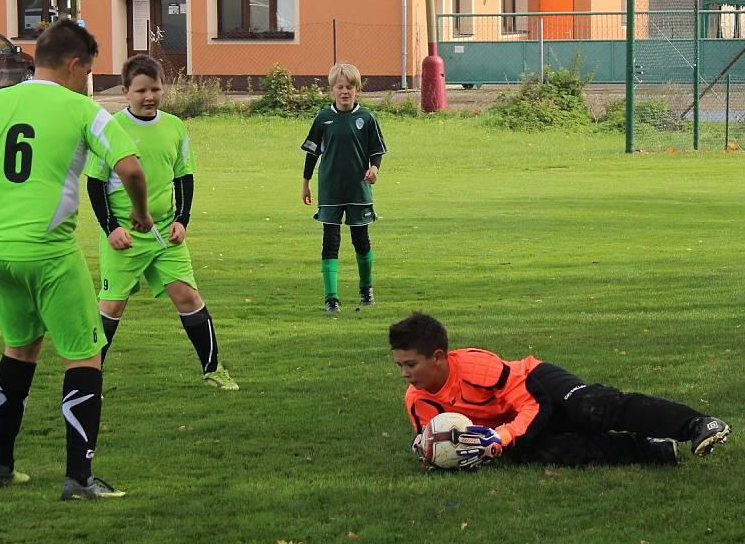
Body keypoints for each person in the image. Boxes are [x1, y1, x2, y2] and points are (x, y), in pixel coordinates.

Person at [0, 19, 153, 499]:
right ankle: (78, 480)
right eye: (88, 71)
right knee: (85, 354)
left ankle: (0, 467)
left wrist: (4, 198)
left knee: (19, 348)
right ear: (74, 64)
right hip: (48, 251)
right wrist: (141, 216)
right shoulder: (82, 108)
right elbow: (130, 168)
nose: (87, 80)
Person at [389, 312, 731, 468]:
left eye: (411, 364)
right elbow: (437, 440)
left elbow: (532, 405)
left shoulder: (478, 367)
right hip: (515, 422)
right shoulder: (417, 401)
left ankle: (699, 424)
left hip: (539, 385)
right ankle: (651, 450)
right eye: (399, 365)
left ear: (438, 357)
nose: (404, 374)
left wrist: (501, 438)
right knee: (551, 452)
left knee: (592, 408)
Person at [84, 54, 238, 390]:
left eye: (155, 88)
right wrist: (111, 228)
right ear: (125, 91)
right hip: (124, 233)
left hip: (165, 232)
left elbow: (184, 177)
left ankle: (213, 369)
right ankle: (87, 379)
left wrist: (183, 220)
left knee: (187, 295)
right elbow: (94, 183)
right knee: (111, 305)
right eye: (141, 90)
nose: (149, 96)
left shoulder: (174, 127)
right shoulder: (110, 129)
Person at [301, 63, 387, 314]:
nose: (345, 91)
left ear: (357, 90)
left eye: (350, 87)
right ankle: (331, 298)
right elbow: (311, 153)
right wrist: (305, 184)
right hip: (330, 190)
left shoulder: (367, 118)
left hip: (358, 190)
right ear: (332, 91)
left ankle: (366, 290)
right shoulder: (323, 118)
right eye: (340, 87)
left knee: (361, 240)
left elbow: (376, 152)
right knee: (331, 241)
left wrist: (374, 169)